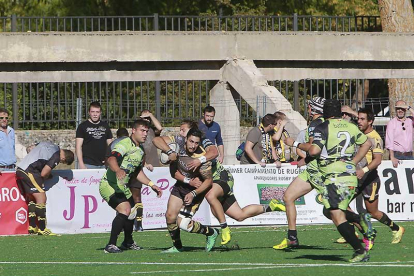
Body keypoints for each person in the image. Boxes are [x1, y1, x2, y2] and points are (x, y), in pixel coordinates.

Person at [309, 99, 371, 263]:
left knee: (336, 216)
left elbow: (314, 151)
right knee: (330, 212)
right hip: (350, 177)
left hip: (334, 177)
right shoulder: (351, 126)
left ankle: (360, 249)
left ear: (325, 112)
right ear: (340, 113)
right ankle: (360, 222)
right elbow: (367, 143)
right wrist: (354, 161)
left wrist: (300, 146)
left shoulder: (323, 127)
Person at [336, 108, 405, 249]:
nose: (359, 122)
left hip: (370, 179)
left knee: (373, 212)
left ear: (370, 121)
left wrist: (363, 170)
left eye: (362, 119)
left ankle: (397, 229)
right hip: (355, 178)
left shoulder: (375, 137)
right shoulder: (357, 133)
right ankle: (356, 232)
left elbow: (378, 160)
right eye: (358, 119)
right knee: (341, 204)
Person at [100, 119, 163, 253]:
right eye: (142, 130)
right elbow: (111, 159)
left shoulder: (140, 150)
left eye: (146, 131)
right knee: (125, 210)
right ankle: (110, 245)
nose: (145, 134)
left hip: (122, 186)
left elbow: (137, 172)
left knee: (132, 213)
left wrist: (152, 185)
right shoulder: (125, 144)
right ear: (133, 131)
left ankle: (128, 242)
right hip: (109, 185)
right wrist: (118, 170)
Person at [153, 128, 220, 253]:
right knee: (170, 216)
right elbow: (156, 139)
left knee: (183, 224)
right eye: (191, 141)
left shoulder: (201, 157)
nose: (193, 145)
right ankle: (178, 247)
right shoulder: (178, 142)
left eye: (196, 143)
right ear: (186, 139)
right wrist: (169, 151)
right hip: (181, 185)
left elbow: (208, 181)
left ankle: (211, 232)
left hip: (196, 190)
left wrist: (194, 192)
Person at [273, 96, 326, 249]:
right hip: (311, 168)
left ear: (314, 109)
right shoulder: (322, 123)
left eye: (309, 107)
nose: (308, 109)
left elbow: (312, 147)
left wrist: (294, 143)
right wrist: (306, 159)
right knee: (288, 196)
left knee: (335, 207)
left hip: (318, 170)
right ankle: (292, 237)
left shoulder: (315, 124)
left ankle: (364, 229)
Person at [15, 142, 74, 235]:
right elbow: (43, 173)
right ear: (63, 158)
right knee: (41, 198)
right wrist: (48, 175)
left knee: (32, 199)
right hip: (29, 172)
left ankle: (33, 227)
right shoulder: (56, 156)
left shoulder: (50, 145)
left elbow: (29, 148)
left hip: (20, 169)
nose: (60, 162)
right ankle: (42, 229)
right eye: (62, 162)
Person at [132, 110, 163, 231]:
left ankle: (145, 222)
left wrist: (150, 115)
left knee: (146, 196)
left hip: (153, 166)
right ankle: (136, 223)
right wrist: (144, 164)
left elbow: (159, 127)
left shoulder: (152, 131)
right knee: (135, 197)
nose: (144, 133)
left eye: (148, 120)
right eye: (143, 119)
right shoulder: (136, 136)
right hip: (140, 167)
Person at [76, 101, 113, 169]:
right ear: (89, 112)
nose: (95, 114)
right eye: (93, 112)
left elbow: (111, 145)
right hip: (88, 164)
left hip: (104, 164)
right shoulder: (82, 126)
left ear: (100, 113)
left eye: (97, 112)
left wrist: (109, 159)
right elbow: (78, 146)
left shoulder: (105, 126)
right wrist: (81, 164)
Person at [385, 100, 414, 168]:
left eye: (402, 108)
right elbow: (390, 141)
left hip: (409, 155)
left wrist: (409, 108)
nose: (400, 110)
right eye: (398, 108)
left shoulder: (410, 121)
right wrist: (392, 157)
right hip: (397, 156)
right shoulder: (392, 123)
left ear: (405, 109)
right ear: (395, 110)